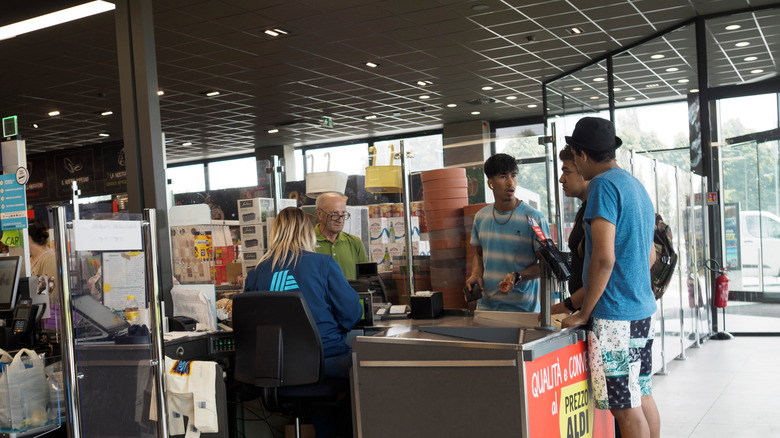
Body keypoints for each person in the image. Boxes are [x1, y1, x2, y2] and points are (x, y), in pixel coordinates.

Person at [560, 117, 660, 438]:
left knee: (625, 410)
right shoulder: (634, 185)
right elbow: (650, 255)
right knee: (641, 395)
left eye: (573, 157)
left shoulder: (602, 186)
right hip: (641, 312)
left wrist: (584, 312)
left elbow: (603, 257)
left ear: (582, 155)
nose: (573, 162)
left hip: (613, 319)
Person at [243, 207, 361, 438]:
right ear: (308, 233)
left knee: (318, 396)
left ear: (274, 233)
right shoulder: (323, 264)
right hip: (324, 362)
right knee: (364, 369)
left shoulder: (257, 271)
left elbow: (249, 321)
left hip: (274, 367)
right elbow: (351, 314)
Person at [466, 153, 550, 312]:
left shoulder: (534, 218)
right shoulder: (481, 217)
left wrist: (516, 276)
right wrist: (476, 274)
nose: (511, 182)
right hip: (487, 309)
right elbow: (479, 254)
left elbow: (545, 266)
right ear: (491, 183)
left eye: (514, 175)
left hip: (523, 310)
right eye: (503, 177)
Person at [550, 145, 589, 315]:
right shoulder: (586, 208)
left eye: (567, 172)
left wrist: (569, 305)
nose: (561, 179)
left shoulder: (598, 210)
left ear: (584, 167)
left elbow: (604, 267)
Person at [314, 192, 368, 280]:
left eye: (343, 214)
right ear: (319, 214)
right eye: (334, 214)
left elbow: (366, 281)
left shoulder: (355, 242)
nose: (340, 220)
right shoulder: (305, 242)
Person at [29, 219, 60, 305]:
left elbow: (50, 294)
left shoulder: (49, 259)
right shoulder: (29, 258)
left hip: (45, 314)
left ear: (28, 238)